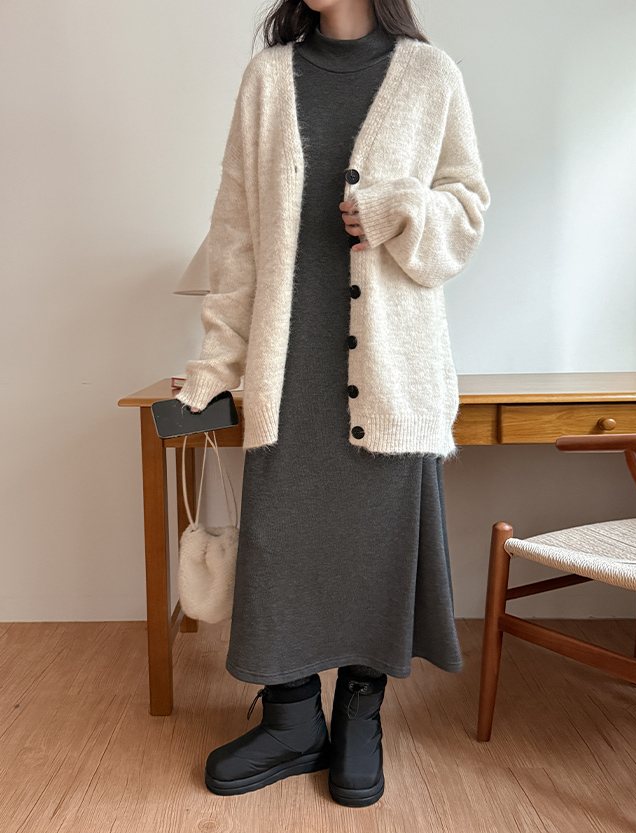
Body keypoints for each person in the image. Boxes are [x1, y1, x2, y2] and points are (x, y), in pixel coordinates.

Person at [176, 0, 490, 807]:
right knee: (282, 544)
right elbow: (236, 236)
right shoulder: (268, 79)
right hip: (289, 369)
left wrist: (400, 209)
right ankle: (290, 722)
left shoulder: (430, 75)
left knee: (374, 545)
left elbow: (466, 214)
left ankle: (358, 716)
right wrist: (217, 362)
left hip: (392, 371)